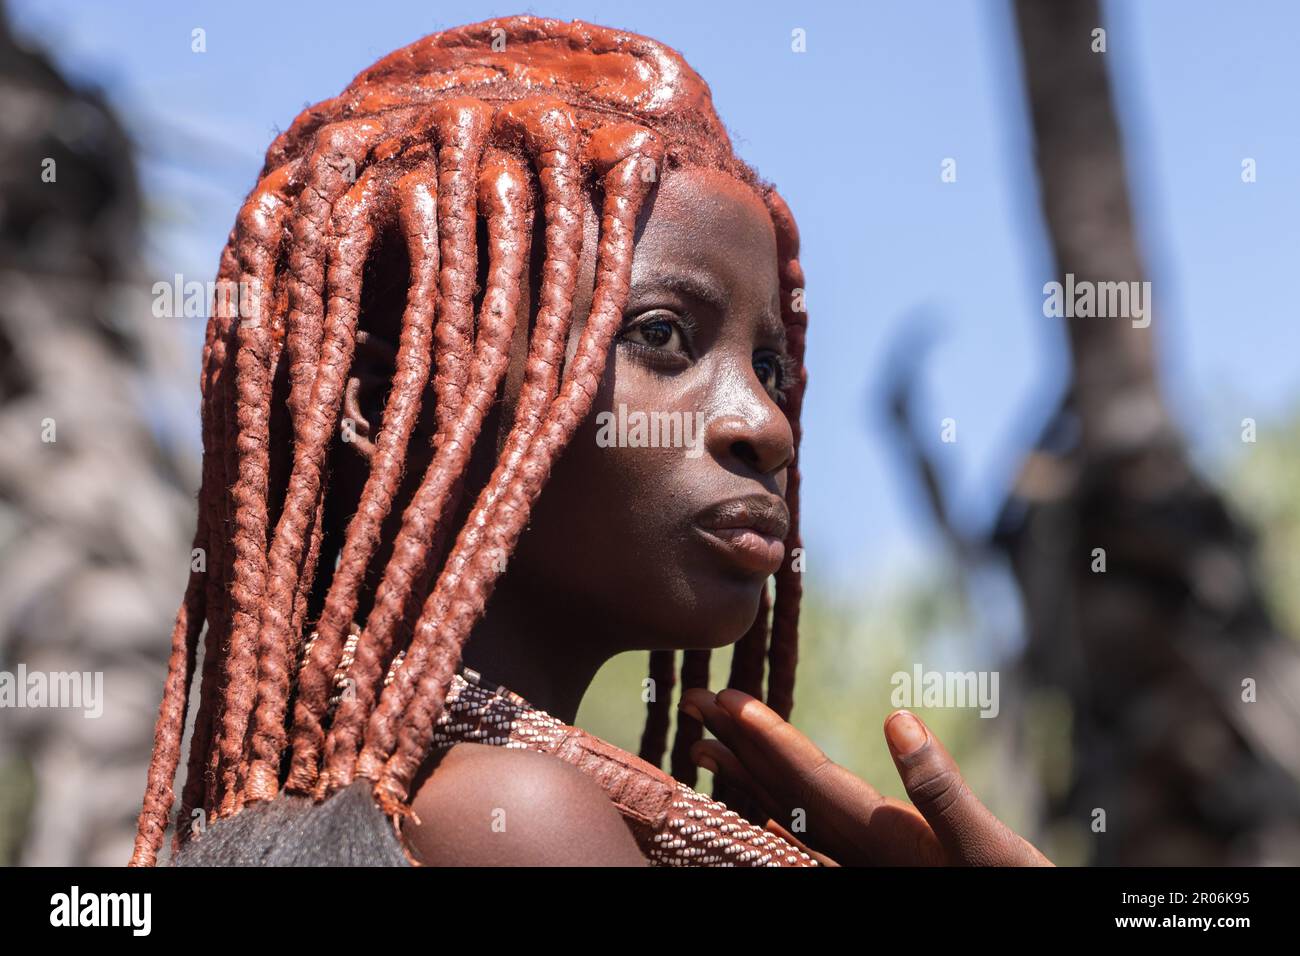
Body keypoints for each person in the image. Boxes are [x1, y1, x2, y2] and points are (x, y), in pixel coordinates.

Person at [130, 15, 1051, 867]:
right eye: (659, 335)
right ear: (380, 401)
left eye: (769, 368)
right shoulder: (524, 820)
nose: (764, 424)